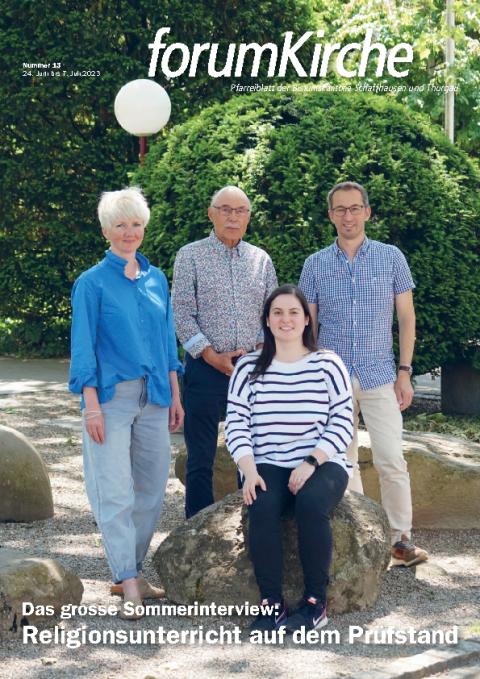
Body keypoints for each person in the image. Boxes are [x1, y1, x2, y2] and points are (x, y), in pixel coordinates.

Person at [298, 180, 428, 566]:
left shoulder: (391, 258)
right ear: (330, 216)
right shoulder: (315, 264)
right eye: (340, 209)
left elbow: (406, 319)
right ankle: (360, 538)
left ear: (368, 212)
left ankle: (400, 539)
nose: (348, 216)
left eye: (355, 208)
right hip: (332, 379)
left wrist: (405, 371)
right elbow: (310, 328)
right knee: (342, 461)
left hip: (380, 374)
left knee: (391, 458)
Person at [69, 187, 184, 619]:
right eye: (120, 224)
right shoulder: (91, 283)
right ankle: (128, 577)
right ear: (106, 230)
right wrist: (91, 405)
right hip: (111, 400)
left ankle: (126, 572)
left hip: (155, 396)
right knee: (114, 490)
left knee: (152, 489)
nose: (129, 231)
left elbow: (166, 340)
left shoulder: (156, 279)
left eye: (135, 223)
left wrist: (175, 395)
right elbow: (83, 349)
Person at [225, 285, 353, 633]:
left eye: (294, 312)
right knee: (262, 507)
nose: (286, 319)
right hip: (266, 461)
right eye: (277, 313)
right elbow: (236, 424)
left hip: (321, 461)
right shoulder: (248, 367)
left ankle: (315, 603)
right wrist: (247, 471)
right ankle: (271, 604)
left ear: (307, 319)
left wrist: (311, 462)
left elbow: (343, 421)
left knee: (310, 505)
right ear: (266, 321)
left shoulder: (328, 363)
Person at [172, 185, 278, 518]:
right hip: (205, 367)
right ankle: (196, 531)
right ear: (211, 213)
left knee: (249, 454)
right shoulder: (190, 255)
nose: (233, 217)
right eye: (225, 209)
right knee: (200, 456)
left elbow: (273, 312)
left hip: (252, 369)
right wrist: (209, 354)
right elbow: (182, 312)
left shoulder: (260, 259)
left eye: (240, 211)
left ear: (248, 217)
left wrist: (260, 351)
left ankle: (245, 525)